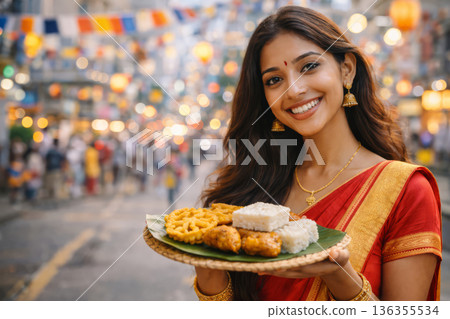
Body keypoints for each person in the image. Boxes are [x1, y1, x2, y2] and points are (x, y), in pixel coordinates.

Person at [194, 6, 442, 301]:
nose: (294, 90)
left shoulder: (406, 190)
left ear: (346, 69)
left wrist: (339, 275)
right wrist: (207, 271)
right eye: (274, 80)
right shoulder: (256, 183)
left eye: (309, 67)